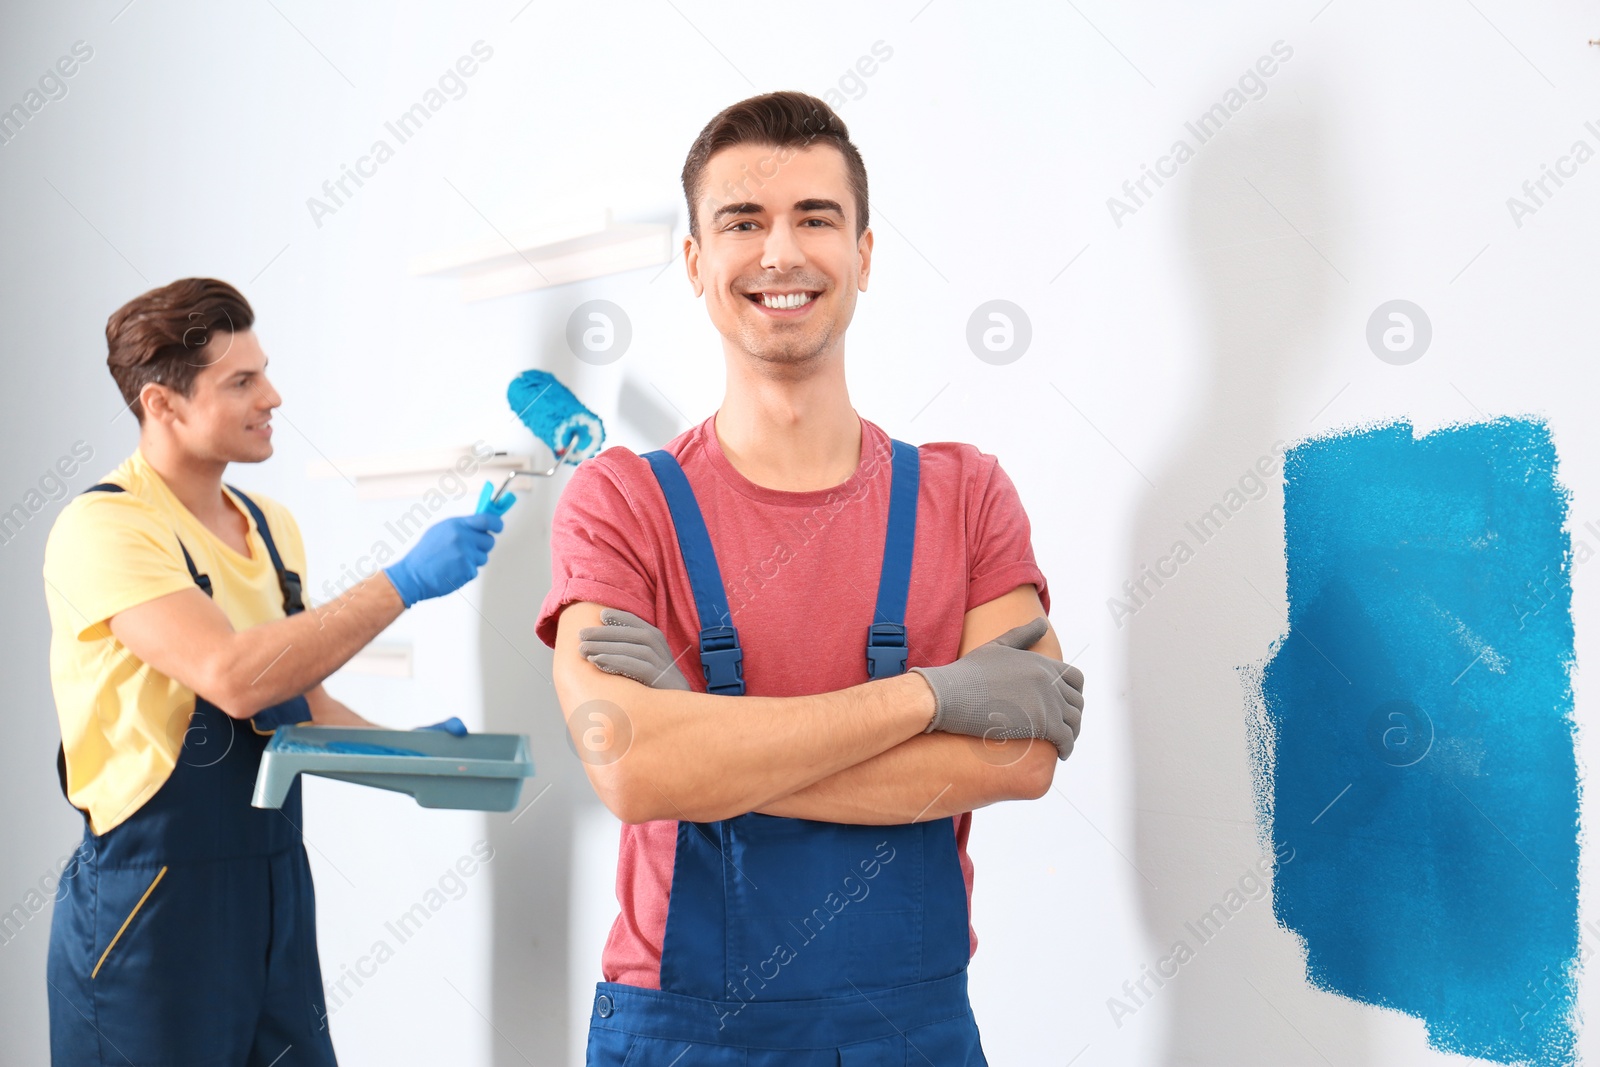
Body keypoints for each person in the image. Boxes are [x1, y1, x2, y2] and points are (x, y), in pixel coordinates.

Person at [536, 92, 1084, 1065]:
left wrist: (708, 744)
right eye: (742, 223)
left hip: (911, 1033)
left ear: (864, 255)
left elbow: (1018, 757)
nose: (779, 253)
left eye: (815, 218)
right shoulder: (619, 500)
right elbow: (631, 768)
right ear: (697, 263)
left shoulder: (965, 493)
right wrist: (934, 695)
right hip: (682, 1031)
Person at [42, 278, 504, 1065]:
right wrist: (403, 582)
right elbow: (231, 675)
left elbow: (299, 708)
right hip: (150, 902)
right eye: (241, 381)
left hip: (273, 888)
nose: (274, 396)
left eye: (265, 371)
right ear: (164, 405)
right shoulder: (107, 527)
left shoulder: (269, 525)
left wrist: (421, 761)